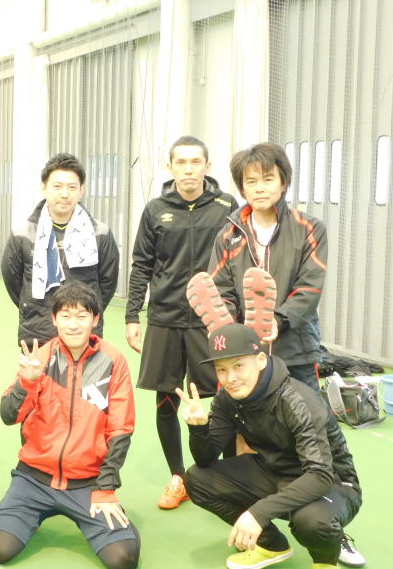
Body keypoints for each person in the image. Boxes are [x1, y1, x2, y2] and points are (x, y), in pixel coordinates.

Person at [176, 291, 362, 568]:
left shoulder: (298, 401)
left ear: (261, 360)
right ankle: (271, 545)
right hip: (275, 471)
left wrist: (257, 513)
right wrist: (199, 428)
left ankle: (325, 561)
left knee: (312, 522)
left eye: (238, 366)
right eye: (221, 369)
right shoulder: (228, 398)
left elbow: (320, 475)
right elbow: (205, 460)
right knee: (196, 479)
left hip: (331, 482)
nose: (230, 378)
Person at [0, 282, 140, 569]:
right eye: (66, 316)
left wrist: (105, 488)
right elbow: (8, 415)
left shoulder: (113, 361)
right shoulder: (41, 357)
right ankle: (25, 512)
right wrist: (27, 382)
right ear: (54, 319)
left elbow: (121, 429)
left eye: (82, 316)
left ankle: (111, 523)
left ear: (95, 319)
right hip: (34, 478)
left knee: (122, 559)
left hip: (87, 482)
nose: (73, 324)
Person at [125, 135, 237, 510]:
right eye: (181, 163)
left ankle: (226, 477)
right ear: (170, 167)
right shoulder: (156, 210)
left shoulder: (226, 206)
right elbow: (142, 264)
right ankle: (178, 477)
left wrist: (234, 314)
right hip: (166, 318)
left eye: (195, 162)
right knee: (166, 399)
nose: (188, 169)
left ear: (207, 166)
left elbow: (239, 261)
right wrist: (132, 315)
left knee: (222, 397)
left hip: (212, 320)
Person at [207, 142, 325, 391]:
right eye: (251, 182)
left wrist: (277, 321)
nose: (259, 188)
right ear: (242, 188)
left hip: (296, 351)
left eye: (268, 179)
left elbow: (309, 289)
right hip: (244, 354)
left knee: (307, 414)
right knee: (241, 416)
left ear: (283, 183)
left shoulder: (309, 229)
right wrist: (228, 327)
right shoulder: (228, 235)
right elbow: (220, 290)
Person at [1, 153, 120, 347]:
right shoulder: (23, 234)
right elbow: (14, 282)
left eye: (72, 187)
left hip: (84, 333)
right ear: (44, 188)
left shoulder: (100, 233)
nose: (64, 194)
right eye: (57, 186)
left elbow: (107, 283)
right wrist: (35, 309)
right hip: (38, 332)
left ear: (81, 190)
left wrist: (83, 314)